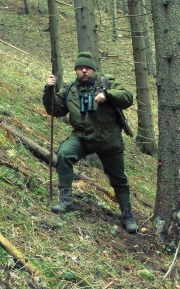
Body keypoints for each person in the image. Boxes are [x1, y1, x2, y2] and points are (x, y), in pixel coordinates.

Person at [42, 51, 138, 233]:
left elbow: (127, 97)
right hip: (82, 137)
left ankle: (127, 214)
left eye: (87, 68)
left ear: (93, 69)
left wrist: (108, 95)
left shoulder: (106, 82)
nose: (84, 71)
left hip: (109, 138)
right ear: (76, 71)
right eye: (80, 68)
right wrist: (49, 89)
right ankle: (65, 200)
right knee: (64, 153)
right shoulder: (69, 89)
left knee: (119, 179)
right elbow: (54, 109)